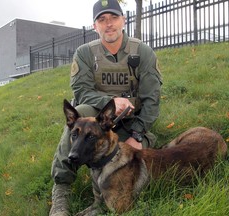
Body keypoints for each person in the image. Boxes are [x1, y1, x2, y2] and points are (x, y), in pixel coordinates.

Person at [49, 0, 162, 215]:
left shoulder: (143, 52)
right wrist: (110, 101)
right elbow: (81, 91)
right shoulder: (85, 53)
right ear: (95, 26)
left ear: (123, 20)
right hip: (95, 125)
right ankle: (61, 190)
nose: (108, 24)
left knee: (143, 152)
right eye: (102, 20)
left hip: (131, 125)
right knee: (80, 114)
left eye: (113, 18)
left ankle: (105, 199)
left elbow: (152, 100)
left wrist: (137, 135)